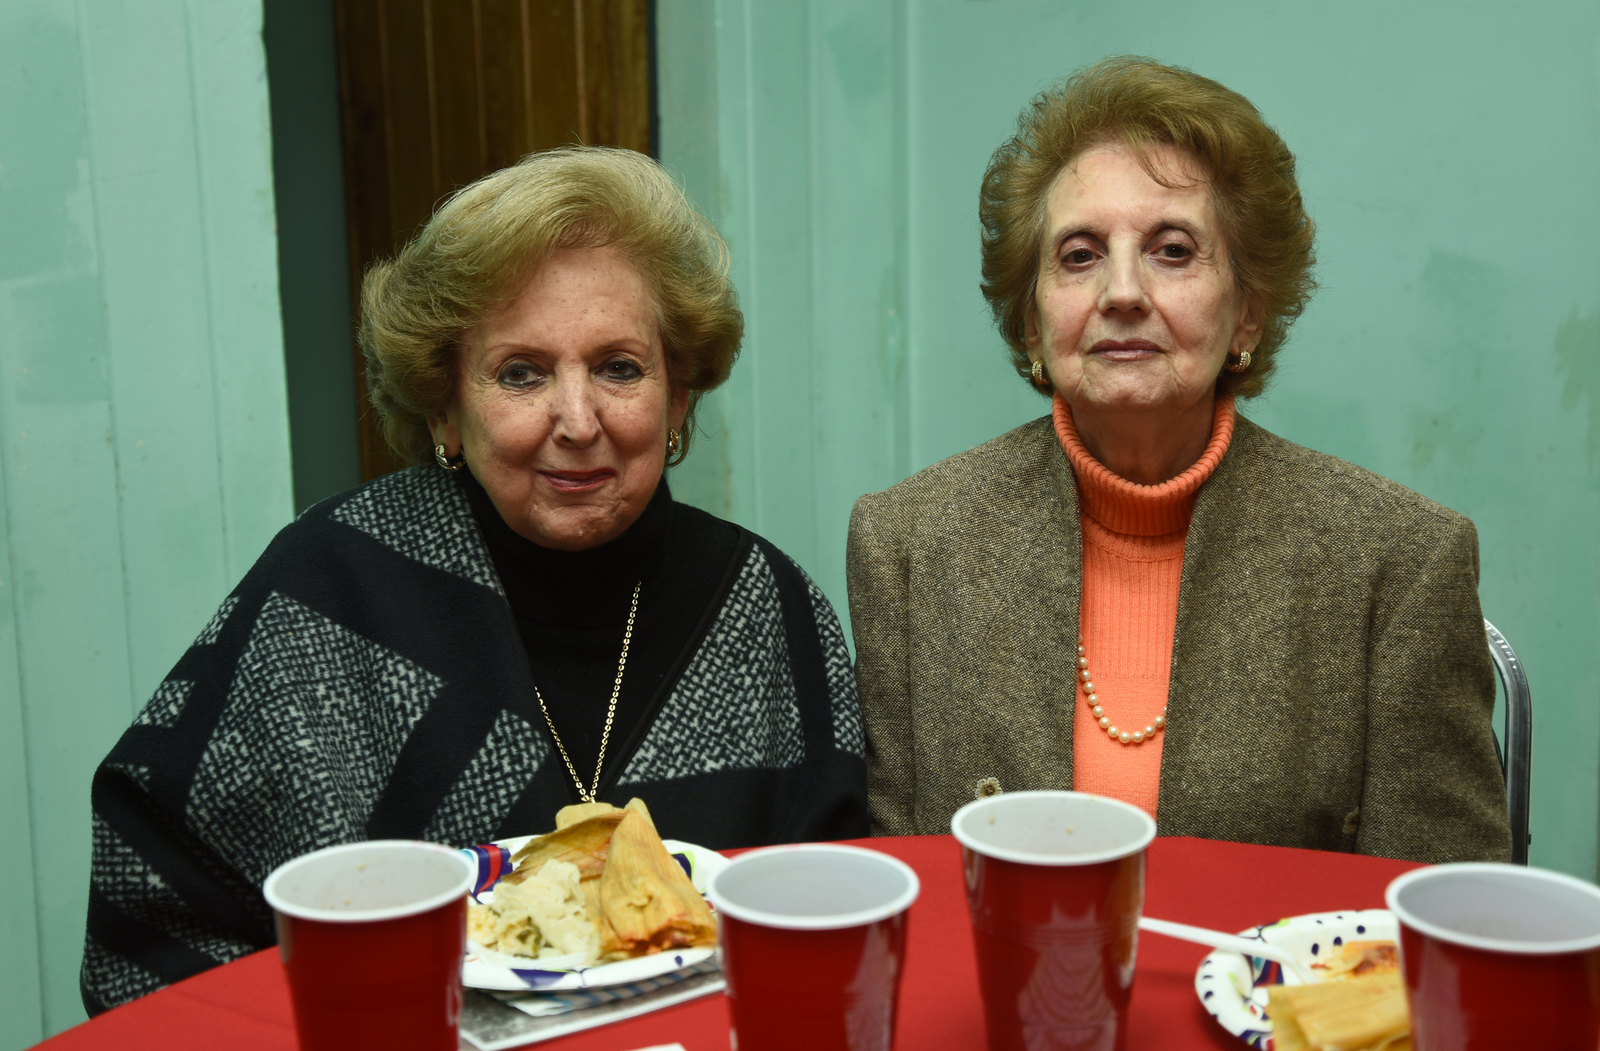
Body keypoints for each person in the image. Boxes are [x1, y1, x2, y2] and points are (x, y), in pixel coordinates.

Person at [82, 146, 868, 1013]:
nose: (578, 421)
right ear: (445, 407)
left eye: (619, 366)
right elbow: (155, 914)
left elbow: (836, 920)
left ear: (679, 394)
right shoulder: (334, 590)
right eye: (521, 373)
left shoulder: (764, 603)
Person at [847, 57, 1510, 864]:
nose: (1122, 291)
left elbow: (1441, 908)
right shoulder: (910, 544)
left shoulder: (1397, 561)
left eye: (1171, 249)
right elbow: (904, 883)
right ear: (1032, 324)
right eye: (1080, 255)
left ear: (1247, 314)